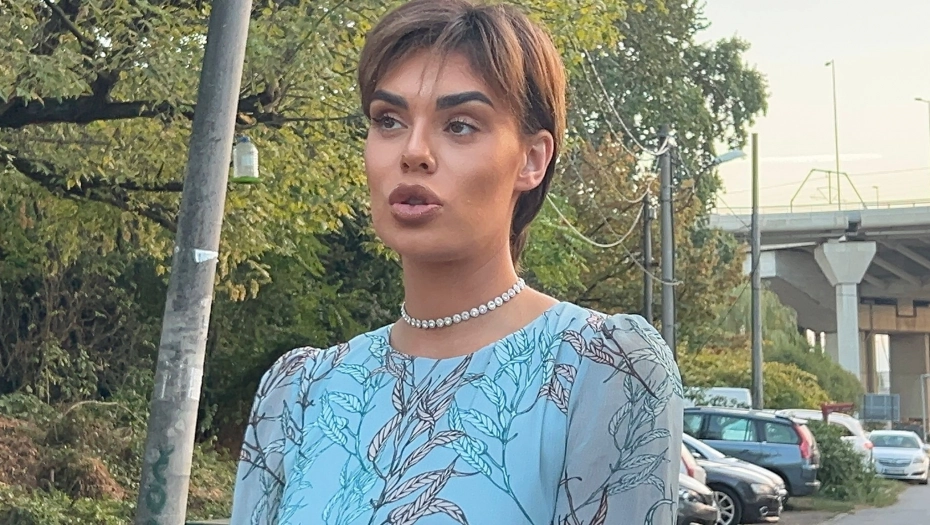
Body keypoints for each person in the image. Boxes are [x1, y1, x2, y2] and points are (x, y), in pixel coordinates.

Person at [229, 1, 683, 524]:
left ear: (532, 159)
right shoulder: (302, 392)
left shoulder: (602, 369)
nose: (414, 152)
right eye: (389, 120)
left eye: (460, 125)